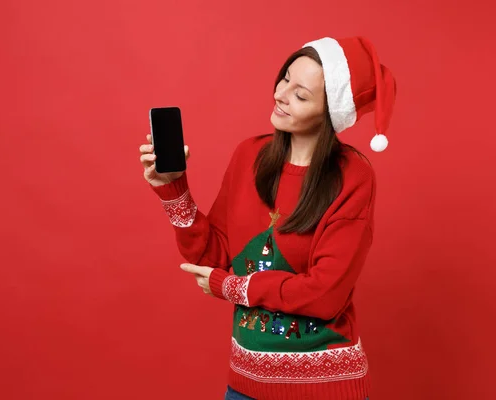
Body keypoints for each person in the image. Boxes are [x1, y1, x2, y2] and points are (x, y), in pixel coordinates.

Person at [140, 36, 396, 400]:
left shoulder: (353, 176)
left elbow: (326, 294)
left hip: (325, 388)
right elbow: (214, 257)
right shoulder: (250, 155)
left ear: (330, 111)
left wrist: (232, 287)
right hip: (246, 385)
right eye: (285, 78)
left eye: (301, 95)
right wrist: (173, 190)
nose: (280, 94)